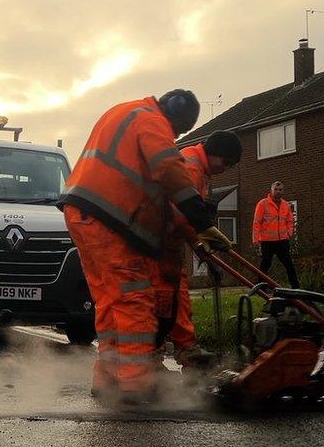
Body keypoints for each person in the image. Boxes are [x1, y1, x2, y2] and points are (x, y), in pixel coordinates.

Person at [58, 90, 232, 404]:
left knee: (110, 300)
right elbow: (168, 169)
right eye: (178, 130)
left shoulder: (125, 110)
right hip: (109, 217)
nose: (176, 136)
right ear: (176, 120)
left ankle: (109, 378)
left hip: (82, 213)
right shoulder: (152, 121)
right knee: (134, 299)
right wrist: (202, 222)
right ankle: (137, 385)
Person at [157, 131, 242, 371]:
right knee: (164, 299)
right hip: (158, 241)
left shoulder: (198, 167)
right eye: (226, 162)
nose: (226, 168)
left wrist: (199, 248)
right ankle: (153, 356)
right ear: (214, 153)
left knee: (178, 293)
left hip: (169, 241)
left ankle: (186, 348)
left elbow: (187, 217)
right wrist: (202, 237)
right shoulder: (192, 166)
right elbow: (182, 213)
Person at [252, 181, 299, 288]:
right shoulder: (263, 204)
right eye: (276, 190)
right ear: (271, 191)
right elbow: (256, 222)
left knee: (289, 264)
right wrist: (255, 240)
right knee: (265, 264)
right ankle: (261, 286)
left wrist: (289, 233)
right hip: (267, 241)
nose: (278, 192)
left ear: (283, 191)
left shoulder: (286, 205)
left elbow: (290, 221)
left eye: (280, 190)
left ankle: (295, 286)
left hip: (282, 240)